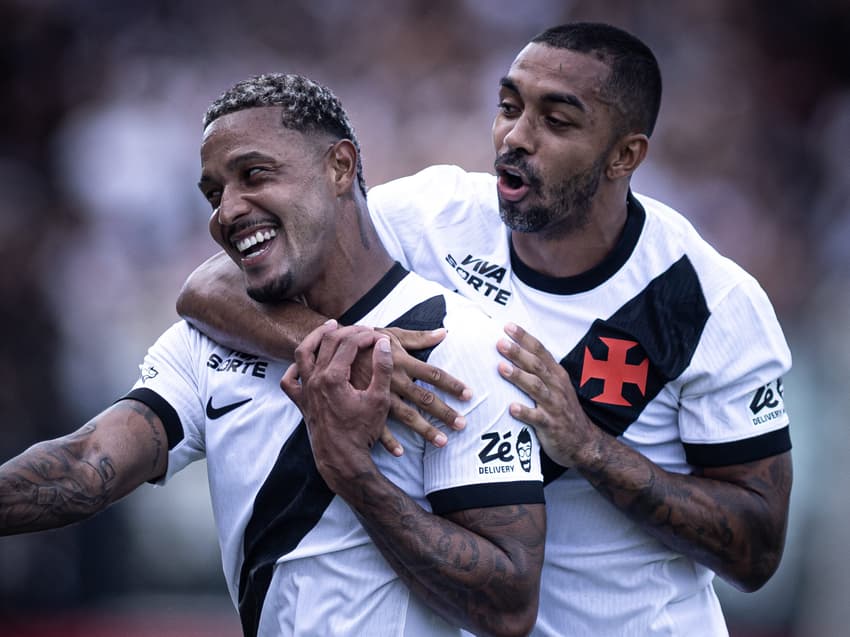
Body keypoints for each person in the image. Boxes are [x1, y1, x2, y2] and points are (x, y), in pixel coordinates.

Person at [177, 23, 794, 636]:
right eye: (508, 107)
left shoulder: (706, 301)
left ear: (624, 155)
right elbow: (209, 286)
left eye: (557, 121)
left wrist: (590, 449)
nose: (515, 137)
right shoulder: (436, 215)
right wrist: (340, 345)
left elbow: (757, 550)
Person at [0, 73, 548, 637]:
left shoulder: (458, 343)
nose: (228, 211)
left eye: (254, 175)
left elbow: (507, 608)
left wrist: (355, 475)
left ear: (340, 167)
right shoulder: (205, 339)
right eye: (214, 194)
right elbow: (89, 463)